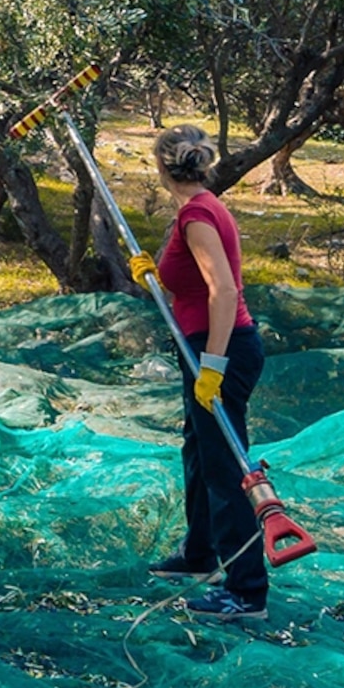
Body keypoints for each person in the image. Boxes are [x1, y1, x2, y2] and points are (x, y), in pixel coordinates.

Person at [135, 124, 268, 618]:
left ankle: (248, 590)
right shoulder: (202, 207)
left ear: (161, 167)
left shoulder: (196, 215)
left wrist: (211, 366)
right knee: (199, 453)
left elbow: (226, 291)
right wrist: (155, 274)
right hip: (209, 347)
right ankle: (199, 555)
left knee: (224, 470)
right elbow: (195, 282)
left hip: (221, 351)